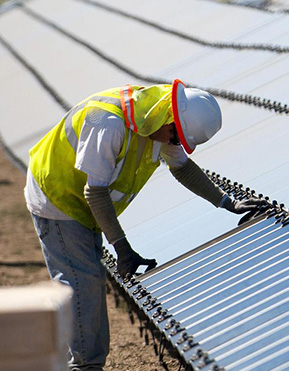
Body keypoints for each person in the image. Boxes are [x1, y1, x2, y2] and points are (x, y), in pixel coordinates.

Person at [25, 80, 270, 370]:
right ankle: (84, 365)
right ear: (169, 118)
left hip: (83, 202)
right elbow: (95, 192)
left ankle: (86, 362)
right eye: (175, 136)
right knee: (81, 283)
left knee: (88, 280)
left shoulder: (158, 121)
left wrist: (228, 203)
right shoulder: (107, 122)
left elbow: (183, 168)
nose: (174, 144)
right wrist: (122, 248)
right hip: (57, 196)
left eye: (179, 140)